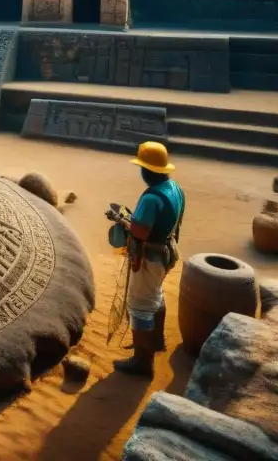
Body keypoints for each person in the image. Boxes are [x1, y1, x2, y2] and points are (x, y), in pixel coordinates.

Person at [110, 141, 185, 378]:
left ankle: (142, 361)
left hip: (149, 256)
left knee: (140, 306)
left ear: (147, 170)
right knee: (155, 295)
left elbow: (141, 231)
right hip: (167, 250)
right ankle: (155, 340)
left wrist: (120, 220)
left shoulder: (151, 198)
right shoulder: (174, 188)